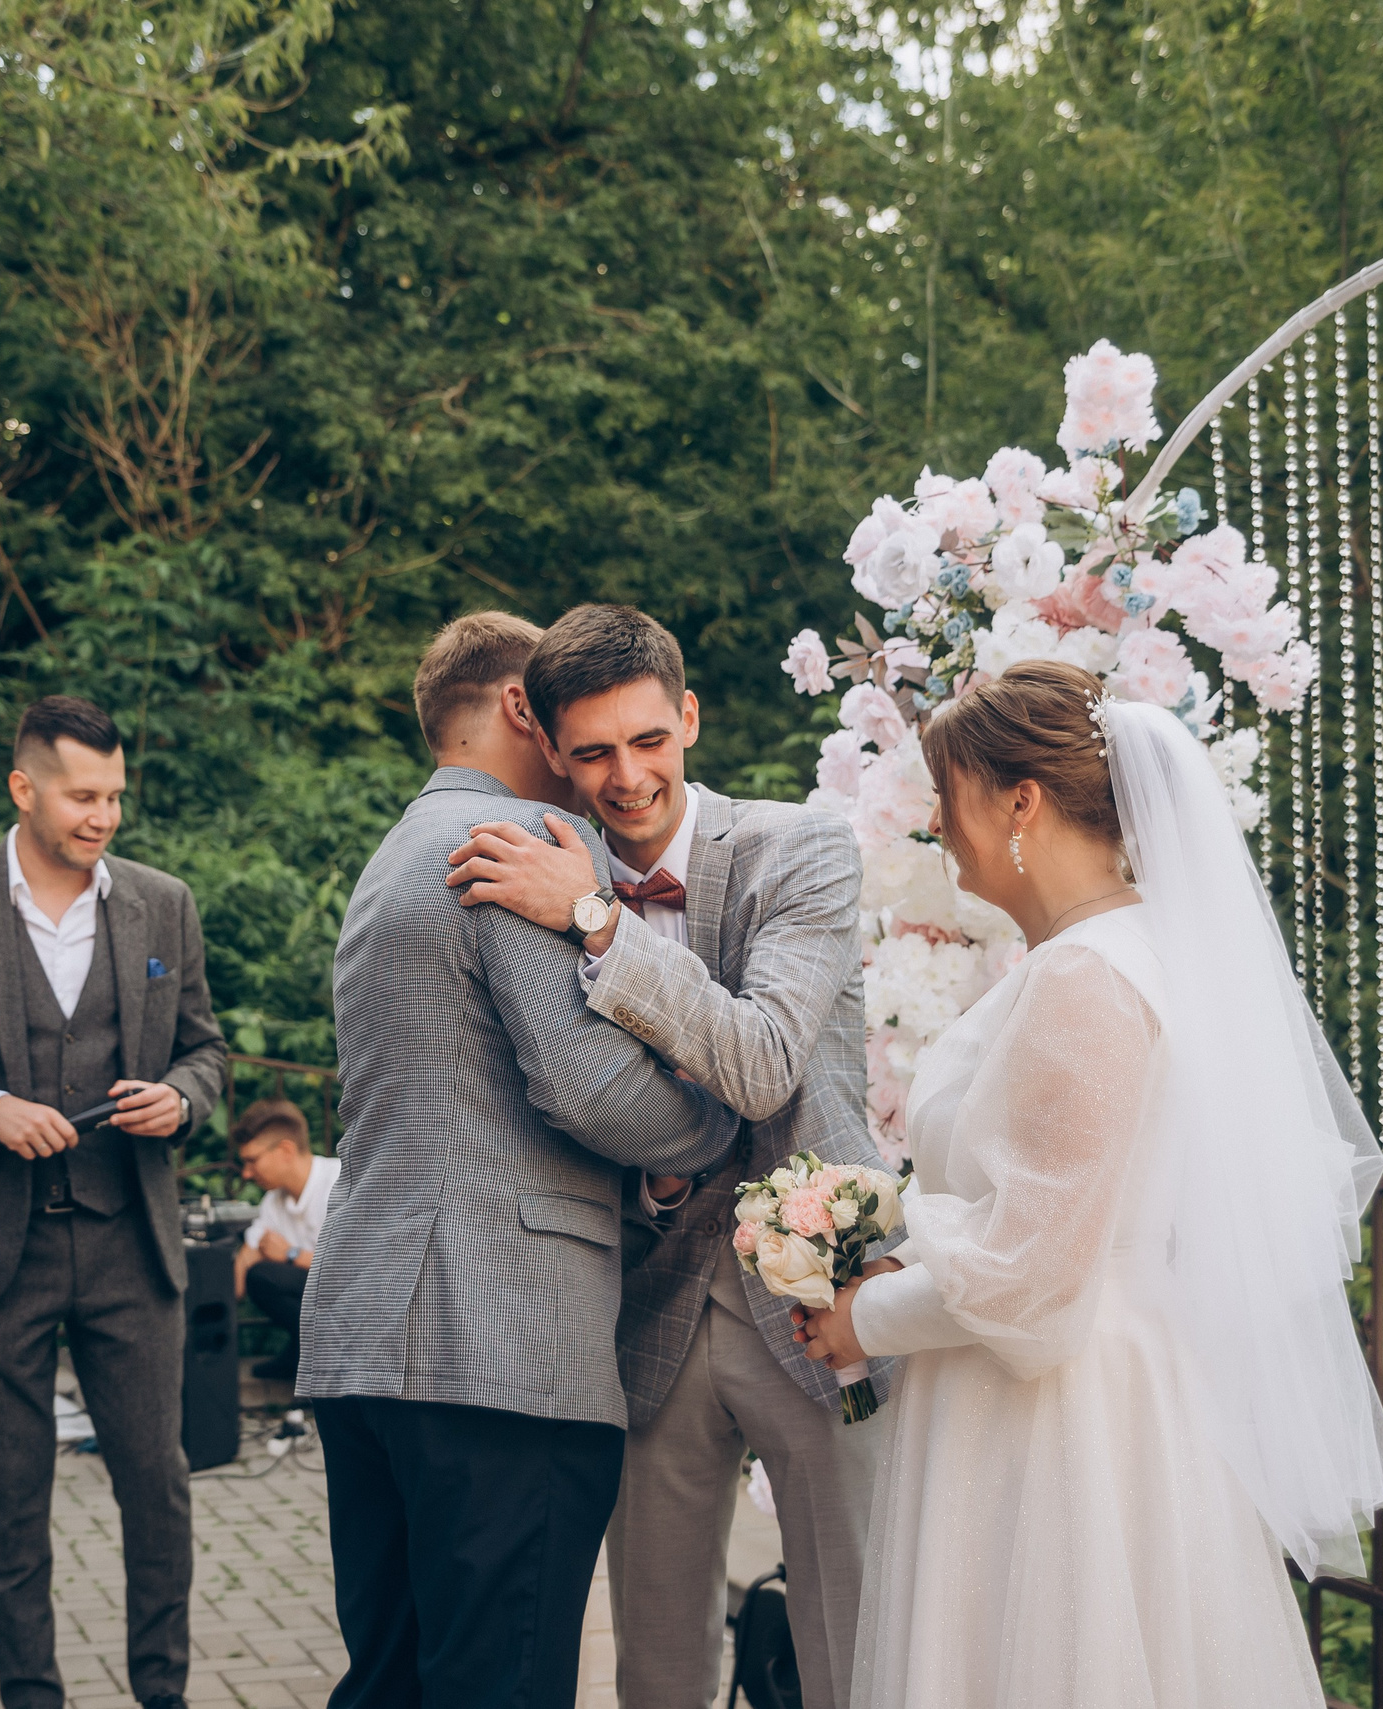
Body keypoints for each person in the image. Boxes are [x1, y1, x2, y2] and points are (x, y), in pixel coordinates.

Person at [792, 661, 1383, 1708]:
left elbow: (1035, 1271)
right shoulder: (1114, 952)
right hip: (1067, 1392)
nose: (937, 820)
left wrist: (867, 1316)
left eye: (949, 790)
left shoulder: (1088, 978)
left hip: (1056, 1423)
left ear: (1018, 799)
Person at [443, 603, 896, 1709]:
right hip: (644, 1302)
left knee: (855, 1638)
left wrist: (600, 921)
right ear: (549, 749)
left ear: (687, 717)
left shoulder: (801, 846)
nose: (626, 775)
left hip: (819, 1300)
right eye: (591, 751)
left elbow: (766, 1062)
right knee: (654, 1662)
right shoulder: (533, 871)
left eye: (648, 739)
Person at [300, 611, 743, 1709]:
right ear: (517, 710)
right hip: (500, 1352)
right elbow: (583, 1083)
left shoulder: (393, 851)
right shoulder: (525, 844)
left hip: (366, 1340)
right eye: (567, 727)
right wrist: (717, 1127)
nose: (589, 763)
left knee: (391, 1681)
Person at [0, 694, 230, 1709]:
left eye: (114, 794)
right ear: (24, 788)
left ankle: (164, 1693)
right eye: (81, 793)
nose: (102, 814)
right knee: (11, 1499)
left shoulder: (164, 903)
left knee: (157, 1489)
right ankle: (33, 1695)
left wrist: (181, 1096)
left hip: (130, 1244)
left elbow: (205, 1048)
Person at [230, 1097, 336, 1384]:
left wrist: (291, 1254)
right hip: (321, 1298)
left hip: (357, 1300)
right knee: (258, 1276)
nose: (247, 1173)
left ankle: (320, 1359)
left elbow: (363, 1270)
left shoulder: (339, 1182)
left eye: (253, 1160)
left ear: (285, 1150)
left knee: (267, 1275)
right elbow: (247, 1258)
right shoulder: (273, 1201)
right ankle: (305, 1353)